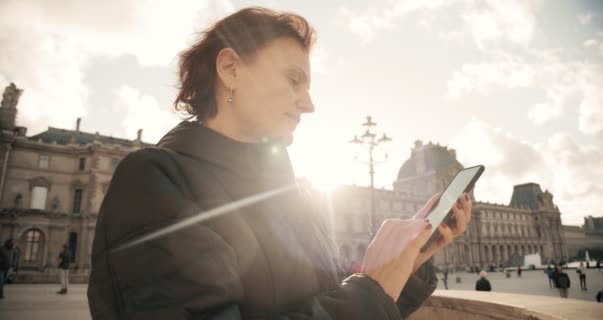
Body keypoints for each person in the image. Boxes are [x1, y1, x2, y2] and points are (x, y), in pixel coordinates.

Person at [87, 7, 474, 320]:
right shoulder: (156, 181)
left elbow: (328, 306)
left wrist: (403, 267)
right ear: (230, 69)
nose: (309, 103)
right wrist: (370, 292)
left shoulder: (293, 195)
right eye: (294, 79)